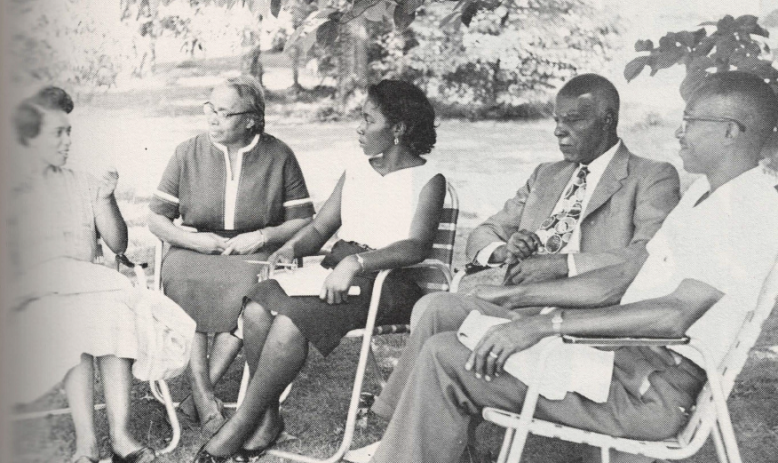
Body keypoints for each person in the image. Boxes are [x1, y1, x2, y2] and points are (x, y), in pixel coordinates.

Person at [368, 71, 778, 463]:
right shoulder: (707, 195)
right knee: (450, 331)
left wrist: (541, 325)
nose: (678, 131)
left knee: (448, 356)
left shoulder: (748, 209)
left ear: (730, 131)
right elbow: (624, 276)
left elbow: (674, 315)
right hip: (622, 359)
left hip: (647, 389)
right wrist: (514, 296)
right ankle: (409, 442)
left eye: (690, 121)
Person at [192, 79, 446, 462]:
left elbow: (417, 245)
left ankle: (237, 428)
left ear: (398, 129)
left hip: (389, 282)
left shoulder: (428, 179)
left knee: (290, 320)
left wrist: (355, 262)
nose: (358, 127)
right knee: (257, 308)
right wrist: (290, 249)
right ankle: (267, 419)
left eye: (368, 119)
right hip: (339, 272)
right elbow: (319, 228)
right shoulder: (357, 170)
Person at [411, 73, 680, 327]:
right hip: (517, 302)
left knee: (438, 312)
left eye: (574, 120)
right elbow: (483, 233)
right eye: (557, 121)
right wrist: (506, 249)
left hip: (584, 311)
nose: (559, 131)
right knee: (432, 307)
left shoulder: (651, 176)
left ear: (607, 120)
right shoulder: (546, 175)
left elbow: (649, 255)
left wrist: (563, 264)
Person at [147, 76, 314, 433]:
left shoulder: (278, 154)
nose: (212, 119)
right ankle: (205, 399)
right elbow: (156, 218)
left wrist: (263, 235)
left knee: (250, 289)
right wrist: (194, 241)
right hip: (195, 250)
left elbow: (302, 219)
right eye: (209, 108)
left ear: (250, 119)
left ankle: (197, 398)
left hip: (252, 253)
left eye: (224, 112)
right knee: (181, 280)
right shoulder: (187, 152)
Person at [9, 87, 156, 463]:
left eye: (69, 131)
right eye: (57, 133)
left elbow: (118, 244)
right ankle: (86, 443)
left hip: (88, 290)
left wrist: (106, 200)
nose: (67, 140)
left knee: (114, 312)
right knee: (74, 316)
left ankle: (121, 437)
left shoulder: (84, 183)